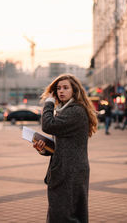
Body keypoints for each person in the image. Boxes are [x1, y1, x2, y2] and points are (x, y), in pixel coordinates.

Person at [33, 73, 97, 223]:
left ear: (74, 91)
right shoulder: (65, 110)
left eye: (65, 88)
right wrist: (43, 148)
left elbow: (48, 125)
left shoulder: (75, 111)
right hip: (66, 171)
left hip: (70, 172)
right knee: (64, 214)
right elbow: (61, 145)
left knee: (65, 216)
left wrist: (49, 102)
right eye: (58, 88)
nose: (61, 91)